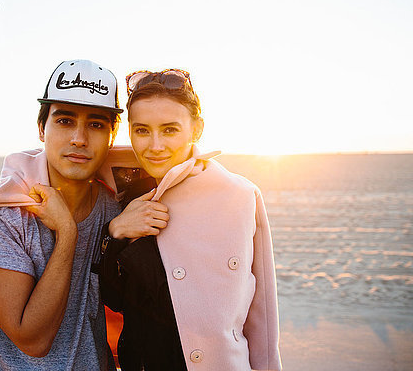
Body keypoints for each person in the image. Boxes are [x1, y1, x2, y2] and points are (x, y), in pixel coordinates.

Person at [0, 59, 123, 370]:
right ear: (41, 129)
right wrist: (67, 234)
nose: (79, 138)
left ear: (112, 136)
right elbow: (32, 339)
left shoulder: (116, 209)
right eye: (64, 121)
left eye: (97, 124)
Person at [98, 69, 282, 370]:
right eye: (142, 130)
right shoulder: (121, 193)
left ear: (196, 129)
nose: (155, 146)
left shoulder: (240, 195)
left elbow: (262, 316)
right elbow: (114, 300)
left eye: (169, 129)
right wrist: (115, 233)